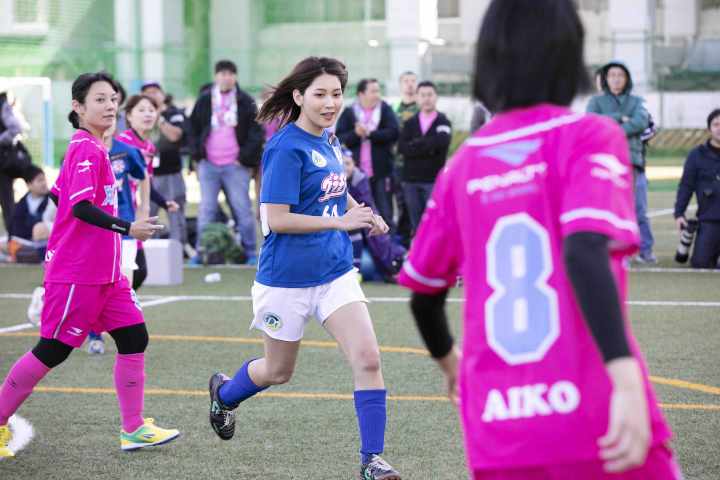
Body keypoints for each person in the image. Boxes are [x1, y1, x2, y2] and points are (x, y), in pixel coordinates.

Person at [398, 1, 681, 478]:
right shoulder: (591, 135)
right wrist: (626, 376)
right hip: (596, 412)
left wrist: (451, 365)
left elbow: (424, 294)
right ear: (569, 54)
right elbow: (584, 248)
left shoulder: (462, 165)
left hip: (498, 426)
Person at [206, 57, 401, 480]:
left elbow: (336, 187)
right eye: (320, 94)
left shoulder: (330, 139)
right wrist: (340, 221)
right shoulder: (283, 147)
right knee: (278, 371)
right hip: (286, 280)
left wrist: (361, 213)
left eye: (336, 94)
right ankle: (224, 393)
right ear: (298, 97)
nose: (331, 103)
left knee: (368, 357)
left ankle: (372, 460)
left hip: (334, 272)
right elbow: (276, 218)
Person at [0, 72, 179, 458]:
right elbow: (79, 207)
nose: (110, 106)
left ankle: (133, 429)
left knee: (134, 338)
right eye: (100, 99)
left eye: (113, 99)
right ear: (78, 107)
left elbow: (60, 197)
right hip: (78, 275)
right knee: (53, 350)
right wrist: (127, 227)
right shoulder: (86, 148)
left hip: (107, 274)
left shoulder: (95, 147)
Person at [87, 119, 152, 355]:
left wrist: (144, 209)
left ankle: (126, 336)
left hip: (125, 225)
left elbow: (143, 176)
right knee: (98, 283)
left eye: (113, 117)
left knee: (125, 280)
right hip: (96, 229)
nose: (108, 121)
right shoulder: (85, 151)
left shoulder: (126, 151)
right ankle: (95, 334)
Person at [189, 59, 264, 265]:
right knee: (206, 209)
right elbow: (192, 128)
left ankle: (250, 251)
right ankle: (200, 251)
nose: (226, 77)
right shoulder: (205, 99)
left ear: (235, 77)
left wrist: (244, 158)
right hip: (209, 164)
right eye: (222, 73)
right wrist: (198, 155)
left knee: (242, 209)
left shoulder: (245, 100)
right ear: (216, 76)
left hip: (235, 165)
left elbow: (257, 132)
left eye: (230, 73)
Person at [587, 61, 655, 264]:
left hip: (631, 161)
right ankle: (617, 252)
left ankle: (645, 250)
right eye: (612, 75)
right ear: (606, 79)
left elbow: (641, 122)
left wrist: (612, 128)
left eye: (620, 75)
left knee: (634, 208)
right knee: (609, 207)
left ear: (627, 79)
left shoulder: (637, 101)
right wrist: (620, 118)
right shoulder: (595, 101)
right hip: (605, 161)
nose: (616, 79)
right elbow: (592, 121)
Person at [117, 94, 178, 289]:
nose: (147, 114)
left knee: (138, 272)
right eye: (141, 110)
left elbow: (146, 182)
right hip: (119, 214)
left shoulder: (150, 147)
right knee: (132, 271)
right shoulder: (121, 144)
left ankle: (113, 313)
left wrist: (163, 202)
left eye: (151, 110)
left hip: (135, 215)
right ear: (128, 116)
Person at [336, 78, 399, 231]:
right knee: (359, 212)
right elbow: (339, 138)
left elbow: (394, 132)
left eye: (378, 91)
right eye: (373, 91)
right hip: (356, 174)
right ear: (361, 94)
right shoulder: (350, 112)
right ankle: (364, 250)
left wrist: (370, 133)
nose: (377, 95)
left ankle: (387, 249)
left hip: (381, 172)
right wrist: (356, 134)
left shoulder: (385, 109)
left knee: (385, 212)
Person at [343, 148, 406, 282]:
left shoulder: (359, 178)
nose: (344, 168)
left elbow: (366, 205)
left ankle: (391, 266)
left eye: (348, 163)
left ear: (354, 164)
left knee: (377, 236)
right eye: (341, 164)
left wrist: (372, 220)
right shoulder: (329, 177)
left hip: (357, 224)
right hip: (337, 227)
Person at [397, 80, 452, 233]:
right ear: (417, 98)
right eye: (422, 95)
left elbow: (442, 142)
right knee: (416, 225)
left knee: (436, 223)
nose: (426, 98)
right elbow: (402, 148)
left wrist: (415, 144)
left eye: (430, 95)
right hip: (411, 181)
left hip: (433, 180)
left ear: (436, 97)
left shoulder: (443, 121)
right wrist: (429, 147)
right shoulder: (409, 123)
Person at [141, 82, 189, 249]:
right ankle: (146, 252)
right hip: (146, 176)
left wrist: (159, 118)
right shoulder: (138, 115)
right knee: (147, 216)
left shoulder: (173, 113)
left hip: (170, 174)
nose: (152, 95)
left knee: (175, 213)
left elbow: (176, 136)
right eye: (147, 93)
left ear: (162, 94)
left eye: (155, 92)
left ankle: (178, 251)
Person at [674, 108, 720, 269]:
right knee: (701, 264)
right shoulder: (696, 155)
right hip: (709, 220)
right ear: (709, 129)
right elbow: (686, 185)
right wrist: (679, 213)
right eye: (716, 124)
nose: (719, 128)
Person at [392, 71, 418, 247]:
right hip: (397, 165)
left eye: (413, 81)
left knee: (416, 204)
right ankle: (402, 241)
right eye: (406, 81)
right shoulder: (393, 110)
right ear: (401, 85)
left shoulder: (422, 109)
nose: (409, 84)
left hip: (418, 165)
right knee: (401, 203)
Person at [0, 91, 27, 233]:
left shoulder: (3, 106)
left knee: (7, 202)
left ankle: (13, 237)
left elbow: (16, 128)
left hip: (3, 164)